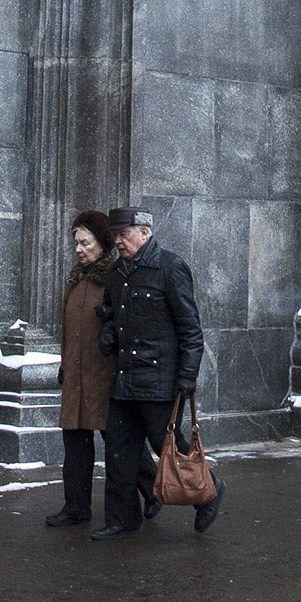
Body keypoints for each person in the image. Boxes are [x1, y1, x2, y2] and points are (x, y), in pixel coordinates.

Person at [93, 206, 223, 539]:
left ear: (145, 232)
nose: (119, 242)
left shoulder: (170, 267)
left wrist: (187, 377)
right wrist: (107, 333)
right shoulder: (117, 272)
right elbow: (110, 315)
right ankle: (122, 519)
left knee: (169, 446)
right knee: (119, 450)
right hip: (124, 378)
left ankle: (209, 491)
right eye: (115, 237)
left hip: (159, 380)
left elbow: (191, 330)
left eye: (124, 235)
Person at [48, 210, 156, 527]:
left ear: (102, 242)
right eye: (76, 243)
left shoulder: (117, 275)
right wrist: (66, 367)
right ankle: (76, 506)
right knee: (75, 443)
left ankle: (153, 492)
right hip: (76, 375)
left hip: (105, 376)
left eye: (85, 243)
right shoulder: (76, 279)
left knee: (120, 444)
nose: (79, 249)